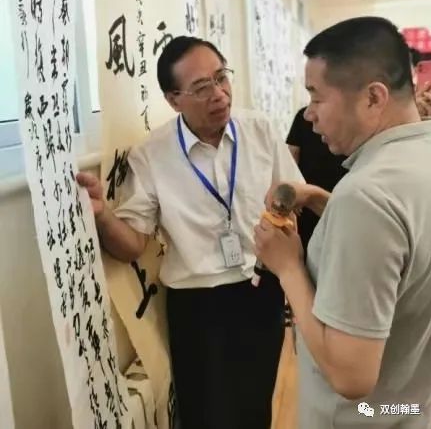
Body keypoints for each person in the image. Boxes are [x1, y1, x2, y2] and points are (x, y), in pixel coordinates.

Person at [78, 36, 303, 429]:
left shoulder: (259, 130)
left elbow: (292, 195)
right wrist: (102, 216)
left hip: (261, 291)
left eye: (221, 77)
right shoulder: (153, 154)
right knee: (205, 416)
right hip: (199, 307)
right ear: (174, 99)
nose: (219, 93)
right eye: (201, 87)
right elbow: (132, 244)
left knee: (255, 410)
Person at [254, 17, 431, 428]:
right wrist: (324, 201)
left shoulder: (366, 196)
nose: (309, 115)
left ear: (373, 97)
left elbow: (351, 377)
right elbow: (403, 245)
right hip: (411, 408)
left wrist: (287, 267)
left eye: (316, 97)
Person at [286, 106, 347, 252]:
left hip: (339, 197)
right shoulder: (303, 116)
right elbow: (291, 157)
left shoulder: (347, 120)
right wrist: (294, 191)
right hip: (305, 202)